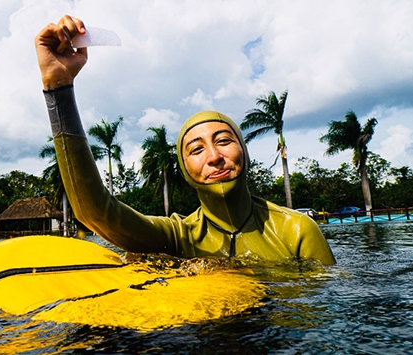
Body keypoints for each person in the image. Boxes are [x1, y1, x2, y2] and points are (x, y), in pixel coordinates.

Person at [35, 15, 335, 265]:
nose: (214, 156)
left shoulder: (297, 231)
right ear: (184, 168)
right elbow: (95, 212)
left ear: (243, 151)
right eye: (196, 149)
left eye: (223, 140)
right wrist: (58, 87)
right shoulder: (177, 237)